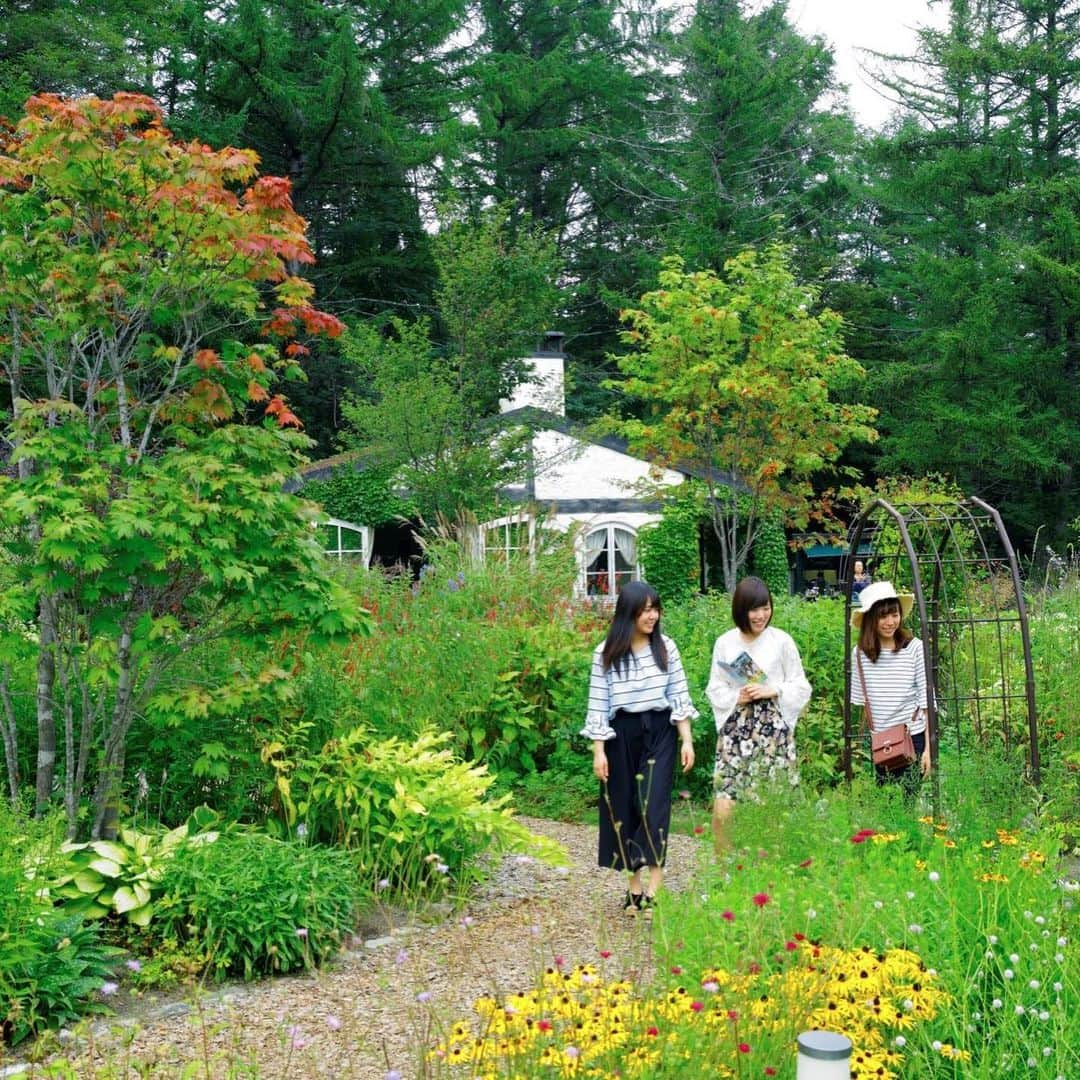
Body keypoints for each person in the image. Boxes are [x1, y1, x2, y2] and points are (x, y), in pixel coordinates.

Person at [582, 580, 697, 914]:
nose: (652, 616)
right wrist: (599, 751)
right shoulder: (605, 653)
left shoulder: (666, 648)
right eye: (645, 610)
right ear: (628, 613)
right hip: (621, 735)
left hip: (660, 732)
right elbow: (597, 705)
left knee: (653, 805)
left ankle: (655, 892)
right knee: (625, 807)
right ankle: (633, 891)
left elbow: (679, 695)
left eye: (655, 608)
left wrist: (686, 739)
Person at [706, 576, 812, 852]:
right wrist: (735, 696)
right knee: (724, 807)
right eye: (754, 609)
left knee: (772, 804)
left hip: (772, 730)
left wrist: (772, 690)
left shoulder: (781, 641)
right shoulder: (726, 643)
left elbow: (801, 686)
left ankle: (769, 871)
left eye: (765, 608)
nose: (761, 615)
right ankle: (724, 871)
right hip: (736, 729)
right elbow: (714, 687)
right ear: (741, 610)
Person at [849, 581, 931, 794]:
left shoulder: (914, 648)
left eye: (894, 614)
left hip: (912, 738)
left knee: (909, 803)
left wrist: (929, 750)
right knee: (884, 803)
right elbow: (861, 705)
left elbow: (926, 701)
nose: (890, 622)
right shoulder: (860, 654)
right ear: (870, 620)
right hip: (881, 741)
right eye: (882, 616)